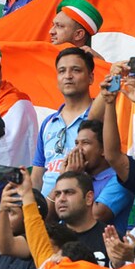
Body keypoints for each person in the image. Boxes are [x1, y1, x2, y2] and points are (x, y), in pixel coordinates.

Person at [33, 47, 94, 195]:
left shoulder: (99, 118)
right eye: (61, 71)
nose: (68, 76)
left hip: (82, 209)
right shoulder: (48, 122)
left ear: (91, 78)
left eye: (76, 70)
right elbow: (37, 176)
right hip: (45, 214)